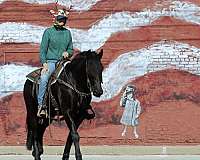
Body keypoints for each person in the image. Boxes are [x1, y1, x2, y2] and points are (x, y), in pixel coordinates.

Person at [37, 9, 73, 117]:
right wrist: (44, 63)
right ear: (55, 19)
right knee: (44, 78)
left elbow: (71, 49)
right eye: (60, 19)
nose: (62, 21)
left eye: (64, 19)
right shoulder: (48, 32)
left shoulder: (67, 33)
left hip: (64, 62)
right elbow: (43, 50)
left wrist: (68, 52)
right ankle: (41, 106)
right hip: (51, 62)